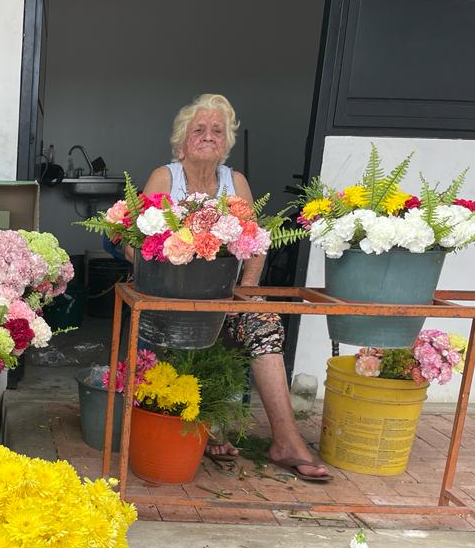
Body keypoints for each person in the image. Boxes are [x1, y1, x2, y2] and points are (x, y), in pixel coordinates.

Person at [128, 93, 330, 482]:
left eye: (217, 130)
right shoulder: (164, 177)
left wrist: (246, 293)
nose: (208, 136)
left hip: (223, 300)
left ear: (227, 142)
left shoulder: (234, 182)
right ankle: (208, 422)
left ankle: (285, 440)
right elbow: (133, 240)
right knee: (188, 327)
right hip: (168, 299)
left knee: (263, 320)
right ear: (181, 141)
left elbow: (254, 243)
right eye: (199, 129)